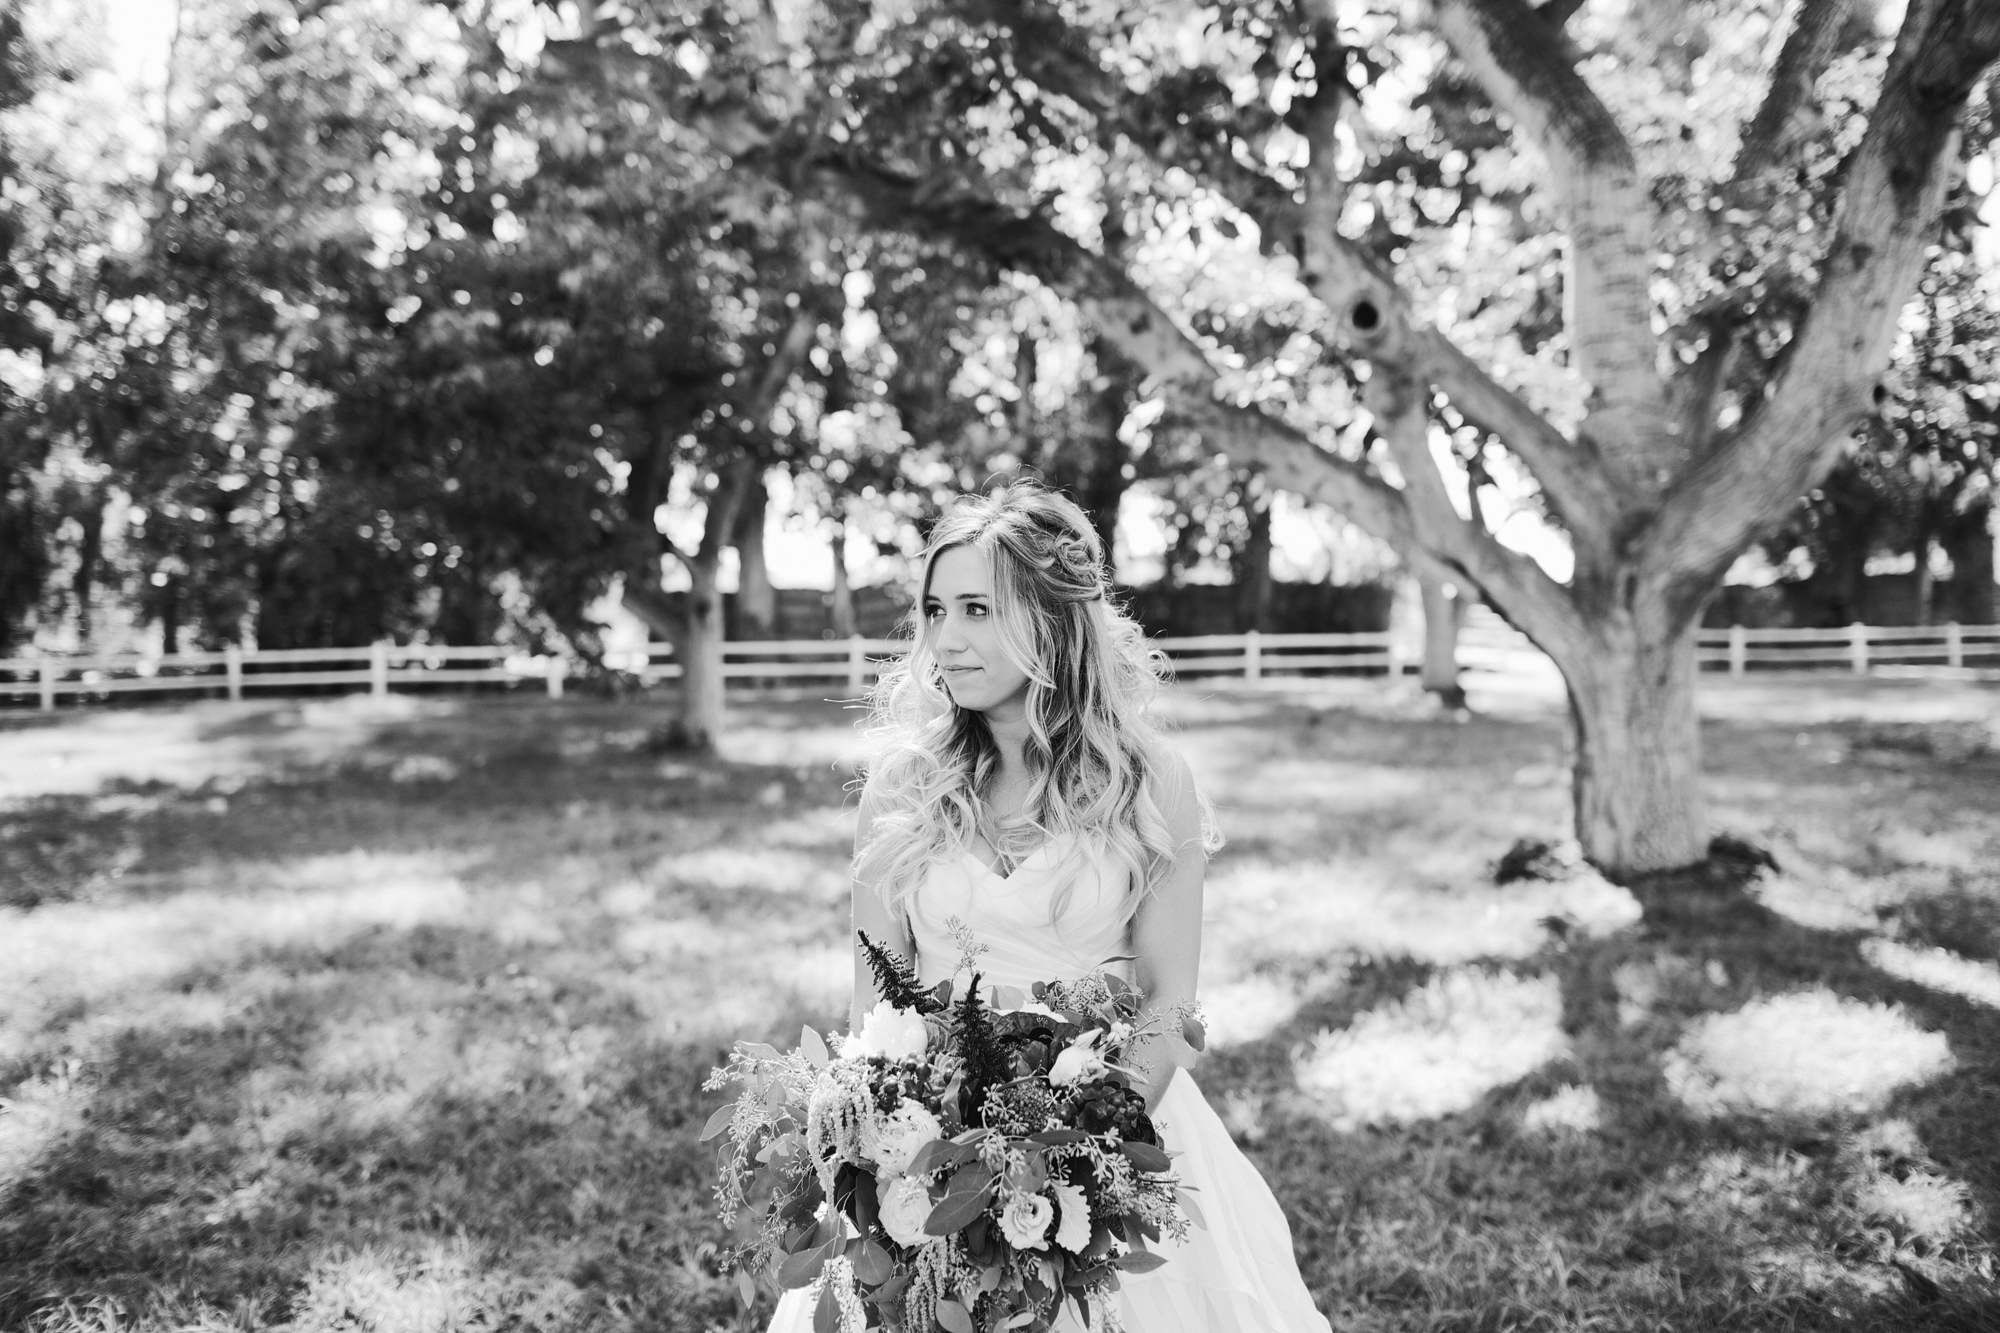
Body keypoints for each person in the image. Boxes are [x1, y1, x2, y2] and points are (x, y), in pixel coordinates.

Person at [766, 481, 1333, 1333]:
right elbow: (871, 1001)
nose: (945, 639)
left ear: (1051, 619)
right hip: (929, 1140)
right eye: (934, 610)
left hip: (1111, 1128)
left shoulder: (1148, 782)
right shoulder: (901, 786)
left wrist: (1074, 1155)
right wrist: (891, 1139)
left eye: (976, 610)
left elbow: (1170, 1004)